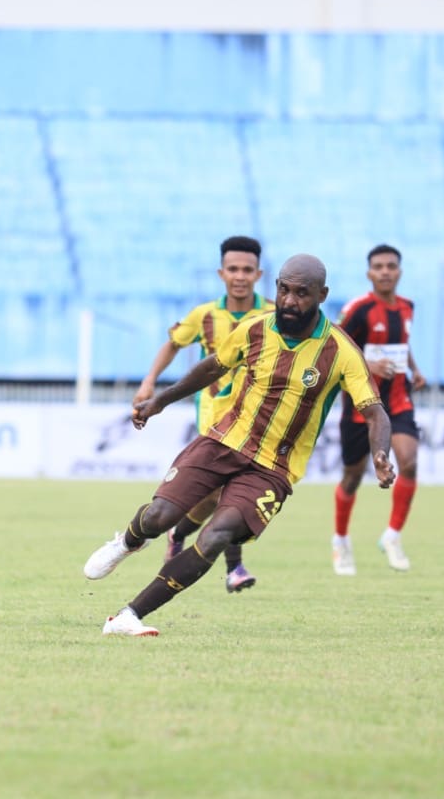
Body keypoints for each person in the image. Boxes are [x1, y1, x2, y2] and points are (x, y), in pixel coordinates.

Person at [84, 254, 395, 637]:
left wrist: (381, 453)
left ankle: (129, 616)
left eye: (301, 293)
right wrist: (160, 401)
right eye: (283, 290)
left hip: (273, 469)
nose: (289, 301)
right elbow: (212, 367)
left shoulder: (341, 351)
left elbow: (375, 411)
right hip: (222, 442)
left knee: (216, 536)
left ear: (321, 295)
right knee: (158, 518)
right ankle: (127, 542)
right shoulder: (256, 329)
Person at [132, 235, 274, 592]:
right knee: (229, 485)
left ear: (258, 274)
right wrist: (149, 382)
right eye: (233, 269)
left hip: (257, 414)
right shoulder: (205, 316)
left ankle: (179, 537)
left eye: (247, 270)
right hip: (215, 411)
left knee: (216, 495)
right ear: (221, 273)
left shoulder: (271, 315)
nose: (239, 276)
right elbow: (173, 343)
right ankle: (235, 569)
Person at [331, 244, 426, 576]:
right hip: (361, 407)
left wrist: (414, 368)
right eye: (378, 266)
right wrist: (370, 363)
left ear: (399, 271)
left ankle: (393, 535)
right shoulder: (359, 309)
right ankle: (340, 541)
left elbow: (402, 343)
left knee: (410, 462)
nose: (385, 271)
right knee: (353, 477)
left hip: (399, 401)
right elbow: (333, 347)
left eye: (391, 266)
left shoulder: (407, 308)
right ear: (369, 273)